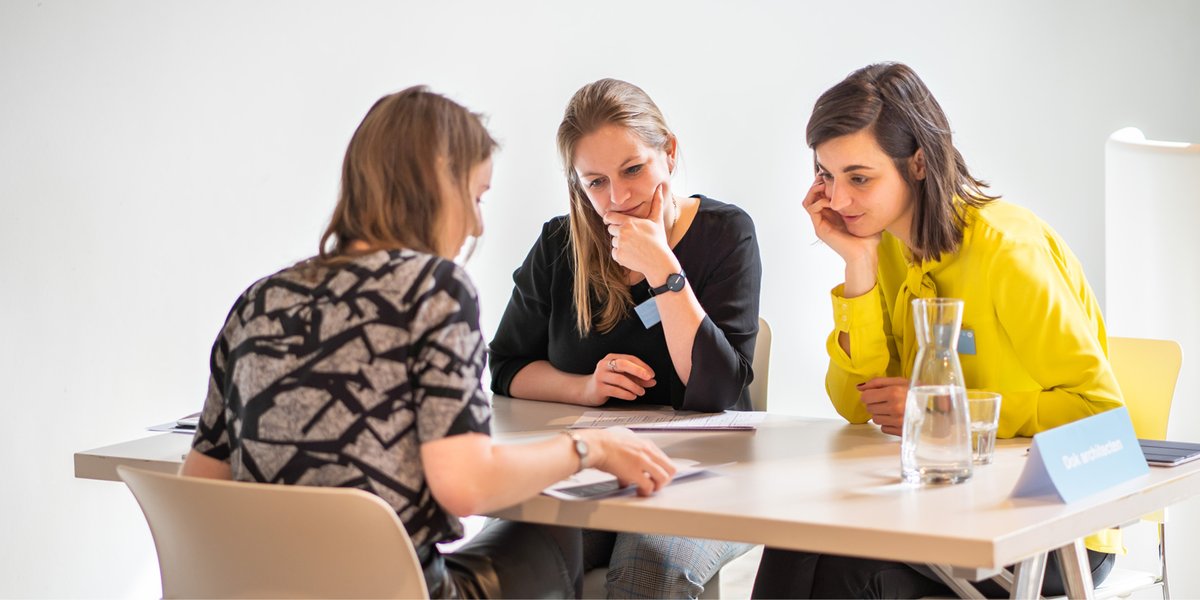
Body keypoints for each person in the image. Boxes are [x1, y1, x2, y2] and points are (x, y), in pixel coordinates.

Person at [179, 86, 678, 599]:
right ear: (436, 185)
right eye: (476, 198)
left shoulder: (258, 301)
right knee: (555, 526)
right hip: (399, 591)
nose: (477, 225)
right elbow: (466, 486)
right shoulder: (433, 289)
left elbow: (199, 487)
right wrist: (590, 447)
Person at [751, 63, 1124, 599]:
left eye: (859, 178)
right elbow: (855, 404)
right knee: (800, 536)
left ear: (919, 162)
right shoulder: (884, 245)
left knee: (837, 561)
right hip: (942, 503)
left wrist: (945, 413)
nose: (838, 200)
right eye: (826, 176)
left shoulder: (1008, 252)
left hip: (1057, 525)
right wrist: (858, 265)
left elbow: (1100, 415)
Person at [488, 78, 761, 599]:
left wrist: (662, 269)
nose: (618, 198)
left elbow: (716, 393)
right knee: (501, 569)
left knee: (645, 574)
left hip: (703, 475)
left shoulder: (726, 232)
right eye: (596, 182)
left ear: (669, 152)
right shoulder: (559, 244)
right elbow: (506, 366)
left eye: (633, 169)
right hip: (590, 471)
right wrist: (584, 388)